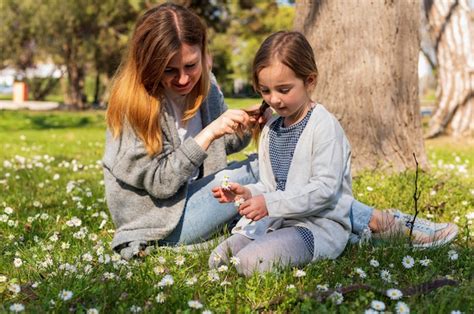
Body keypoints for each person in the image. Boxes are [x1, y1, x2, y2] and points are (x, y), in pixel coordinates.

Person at [102, 3, 458, 260]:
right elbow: (162, 184)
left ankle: (352, 225)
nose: (182, 78)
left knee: (268, 167)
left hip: (202, 201)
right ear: (149, 64)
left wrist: (242, 126)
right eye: (169, 70)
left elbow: (223, 146)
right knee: (264, 170)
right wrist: (208, 133)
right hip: (162, 222)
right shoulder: (132, 104)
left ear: (203, 54)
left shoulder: (203, 85)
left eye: (190, 65)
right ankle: (383, 222)